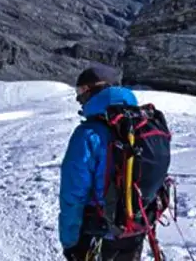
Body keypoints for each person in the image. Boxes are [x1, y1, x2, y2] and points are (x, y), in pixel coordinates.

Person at [59, 65, 168, 261]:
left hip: (99, 229)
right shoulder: (139, 124)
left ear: (93, 90)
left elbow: (73, 194)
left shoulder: (88, 134)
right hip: (137, 224)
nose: (78, 98)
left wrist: (71, 242)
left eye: (81, 91)